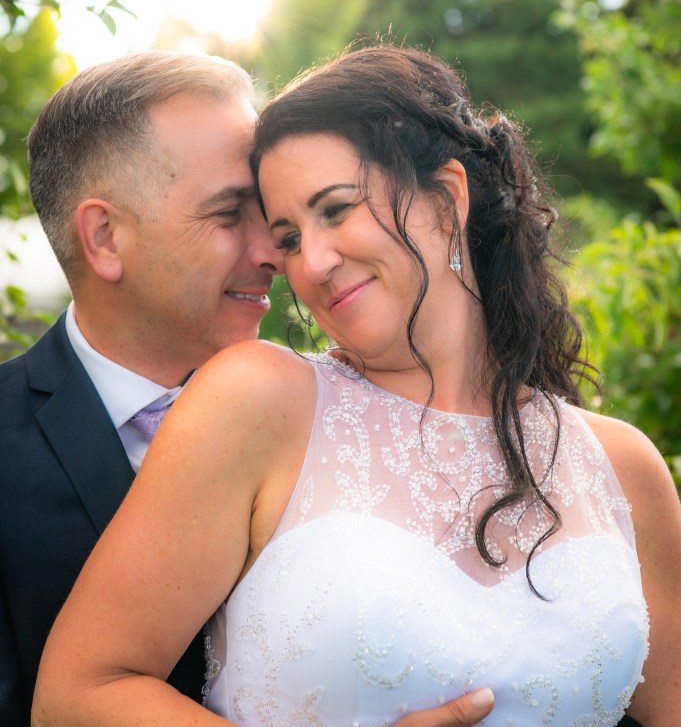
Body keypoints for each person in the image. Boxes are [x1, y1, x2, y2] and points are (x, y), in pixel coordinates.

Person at [32, 44, 680, 727]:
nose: (309, 262)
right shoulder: (257, 400)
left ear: (446, 196)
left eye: (335, 209)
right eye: (287, 236)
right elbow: (79, 694)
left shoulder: (621, 466)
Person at [0, 51, 282, 725]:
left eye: (269, 211)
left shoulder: (324, 407)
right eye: (228, 213)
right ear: (104, 237)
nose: (274, 249)